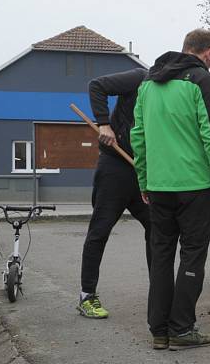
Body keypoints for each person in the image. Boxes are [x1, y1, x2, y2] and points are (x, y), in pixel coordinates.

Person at [131, 28, 210, 351]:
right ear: (208, 53)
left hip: (159, 186)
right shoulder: (202, 82)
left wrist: (144, 180)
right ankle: (182, 328)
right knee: (192, 255)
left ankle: (159, 330)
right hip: (195, 186)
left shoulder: (148, 83)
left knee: (161, 256)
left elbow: (138, 135)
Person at [76, 68, 152, 319]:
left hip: (143, 172)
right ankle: (87, 296)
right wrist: (104, 124)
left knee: (158, 228)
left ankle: (159, 292)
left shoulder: (173, 94)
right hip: (114, 168)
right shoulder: (141, 78)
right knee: (100, 230)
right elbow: (96, 84)